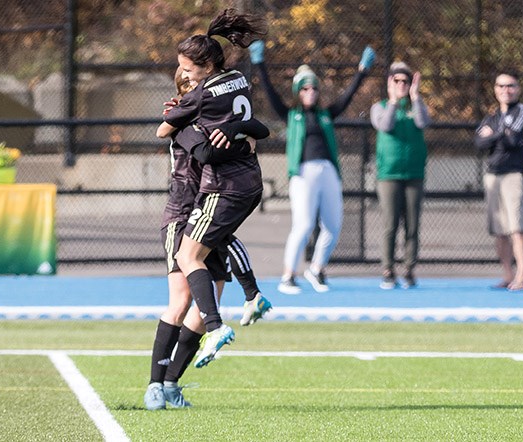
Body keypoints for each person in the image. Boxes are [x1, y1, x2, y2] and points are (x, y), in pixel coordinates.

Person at [145, 67, 271, 411]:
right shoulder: (186, 127)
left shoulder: (208, 121)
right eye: (189, 88)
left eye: (198, 85)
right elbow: (206, 155)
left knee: (206, 305)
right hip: (182, 215)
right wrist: (243, 142)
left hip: (206, 210)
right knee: (181, 300)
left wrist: (240, 130)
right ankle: (154, 385)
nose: (197, 91)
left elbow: (260, 129)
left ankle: (171, 382)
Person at [157, 8, 267, 369]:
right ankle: (250, 296)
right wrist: (242, 133)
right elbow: (259, 130)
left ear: (204, 68)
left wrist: (179, 120)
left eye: (188, 70)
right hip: (247, 180)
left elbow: (170, 133)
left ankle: (216, 328)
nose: (186, 78)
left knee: (190, 260)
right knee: (217, 245)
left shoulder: (200, 99)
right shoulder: (237, 78)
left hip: (216, 191)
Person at [248, 40, 375, 294]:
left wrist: (362, 70)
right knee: (304, 225)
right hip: (303, 174)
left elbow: (347, 96)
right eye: (305, 88)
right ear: (298, 90)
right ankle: (288, 276)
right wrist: (258, 63)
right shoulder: (291, 114)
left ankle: (316, 269)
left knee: (333, 225)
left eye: (314, 88)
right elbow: (271, 94)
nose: (310, 91)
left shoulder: (326, 114)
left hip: (328, 171)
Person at [370, 62, 431, 290]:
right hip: (389, 175)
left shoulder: (416, 105)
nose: (402, 85)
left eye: (405, 81)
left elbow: (423, 122)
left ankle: (409, 269)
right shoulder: (381, 107)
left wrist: (415, 98)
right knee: (390, 224)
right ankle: (388, 269)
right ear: (390, 83)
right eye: (397, 81)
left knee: (412, 225)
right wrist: (394, 102)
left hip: (414, 174)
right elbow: (385, 125)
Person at [474, 71, 523, 291]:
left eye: (510, 86)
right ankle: (507, 275)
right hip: (492, 175)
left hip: (513, 175)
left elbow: (512, 139)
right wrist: (499, 133)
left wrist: (494, 134)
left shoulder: (522, 110)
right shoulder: (492, 116)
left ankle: (522, 277)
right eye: (501, 86)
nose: (505, 90)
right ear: (495, 89)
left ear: (517, 88)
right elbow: (479, 143)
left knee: (516, 228)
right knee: (499, 230)